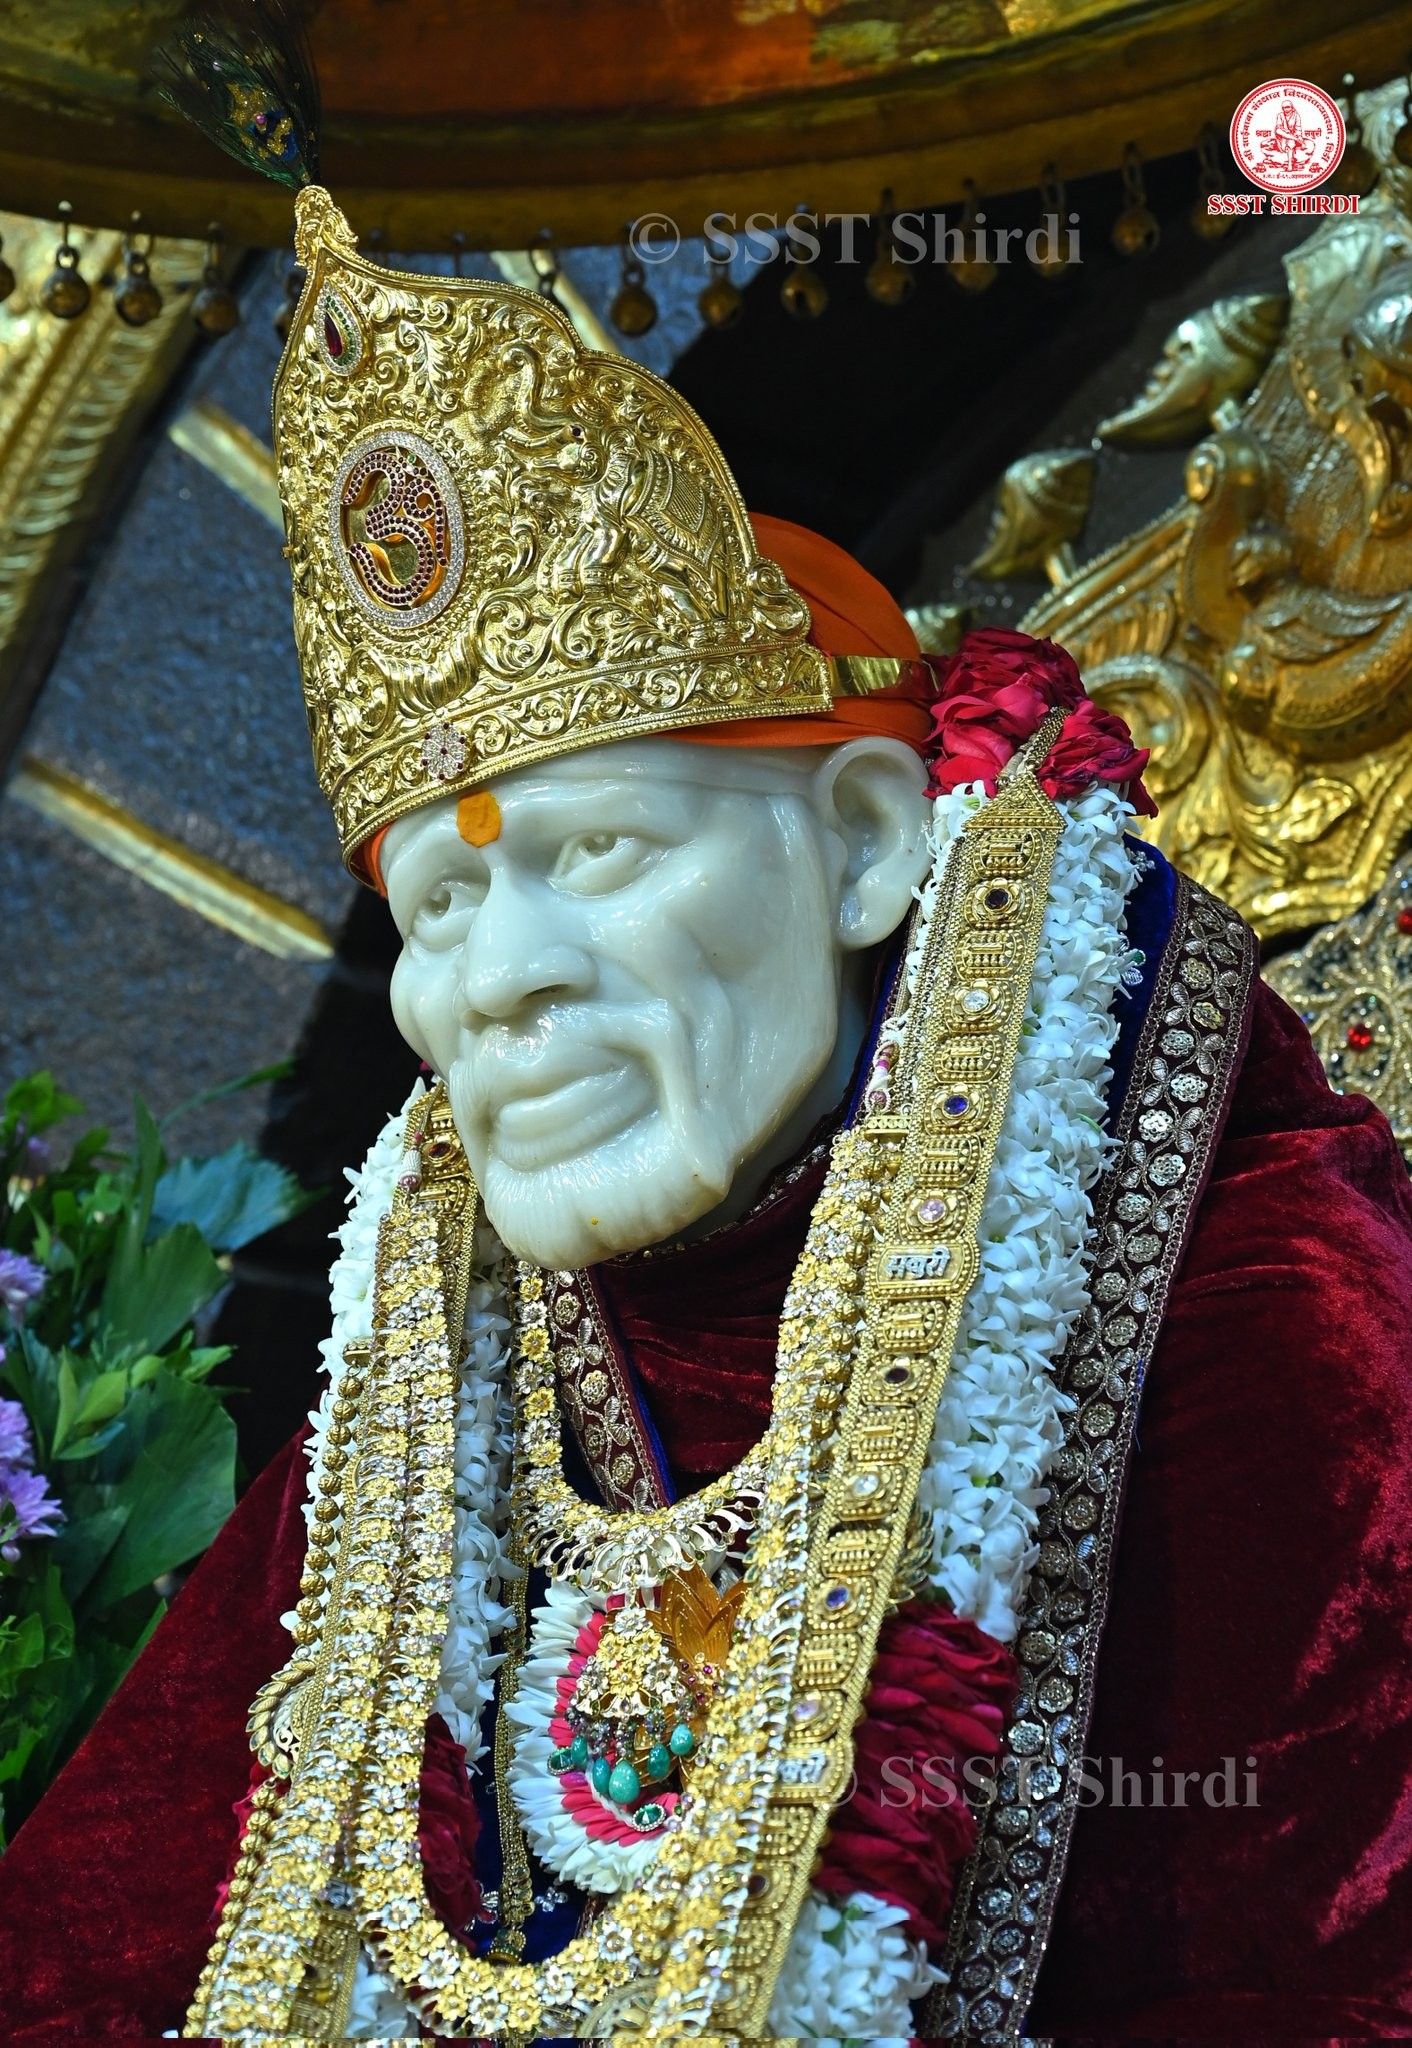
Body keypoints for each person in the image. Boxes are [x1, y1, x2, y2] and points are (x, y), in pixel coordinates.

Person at [2, 184, 1412, 2043]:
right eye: (433, 905)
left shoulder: (1254, 1304)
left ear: (859, 847)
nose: (495, 978)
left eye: (596, 851)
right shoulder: (440, 1371)